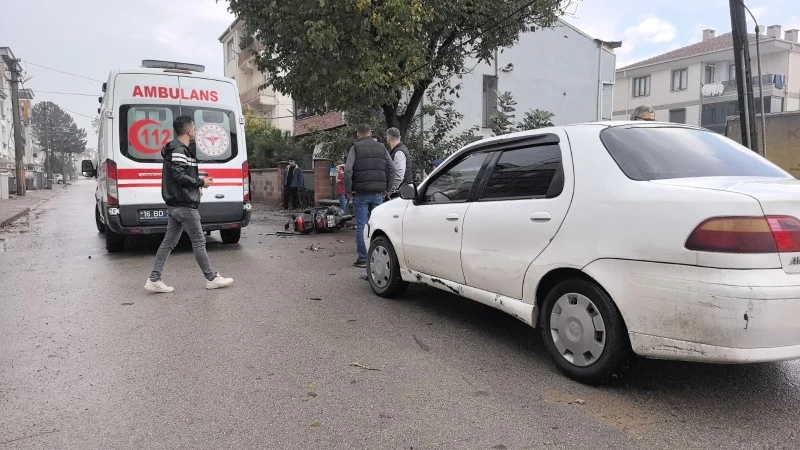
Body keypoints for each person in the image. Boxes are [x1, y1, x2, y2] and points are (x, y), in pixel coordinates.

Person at [145, 115, 234, 293]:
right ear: (188, 130)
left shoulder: (177, 149)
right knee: (199, 240)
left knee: (169, 242)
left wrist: (197, 185)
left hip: (177, 204)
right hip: (184, 205)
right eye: (194, 127)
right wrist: (200, 183)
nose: (195, 130)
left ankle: (154, 278)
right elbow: (178, 176)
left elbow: (180, 175)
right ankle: (211, 278)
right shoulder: (179, 150)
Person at [344, 124, 395, 268]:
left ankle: (362, 259)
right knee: (378, 225)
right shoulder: (381, 147)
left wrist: (349, 190)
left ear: (358, 134)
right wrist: (388, 189)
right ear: (370, 133)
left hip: (360, 193)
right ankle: (377, 257)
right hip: (378, 193)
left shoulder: (355, 147)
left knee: (362, 225)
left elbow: (347, 170)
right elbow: (392, 168)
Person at [386, 127, 413, 192]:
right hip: (404, 189)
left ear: (389, 138)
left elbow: (399, 175)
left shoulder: (399, 152)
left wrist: (390, 189)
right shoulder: (401, 149)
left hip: (401, 191)